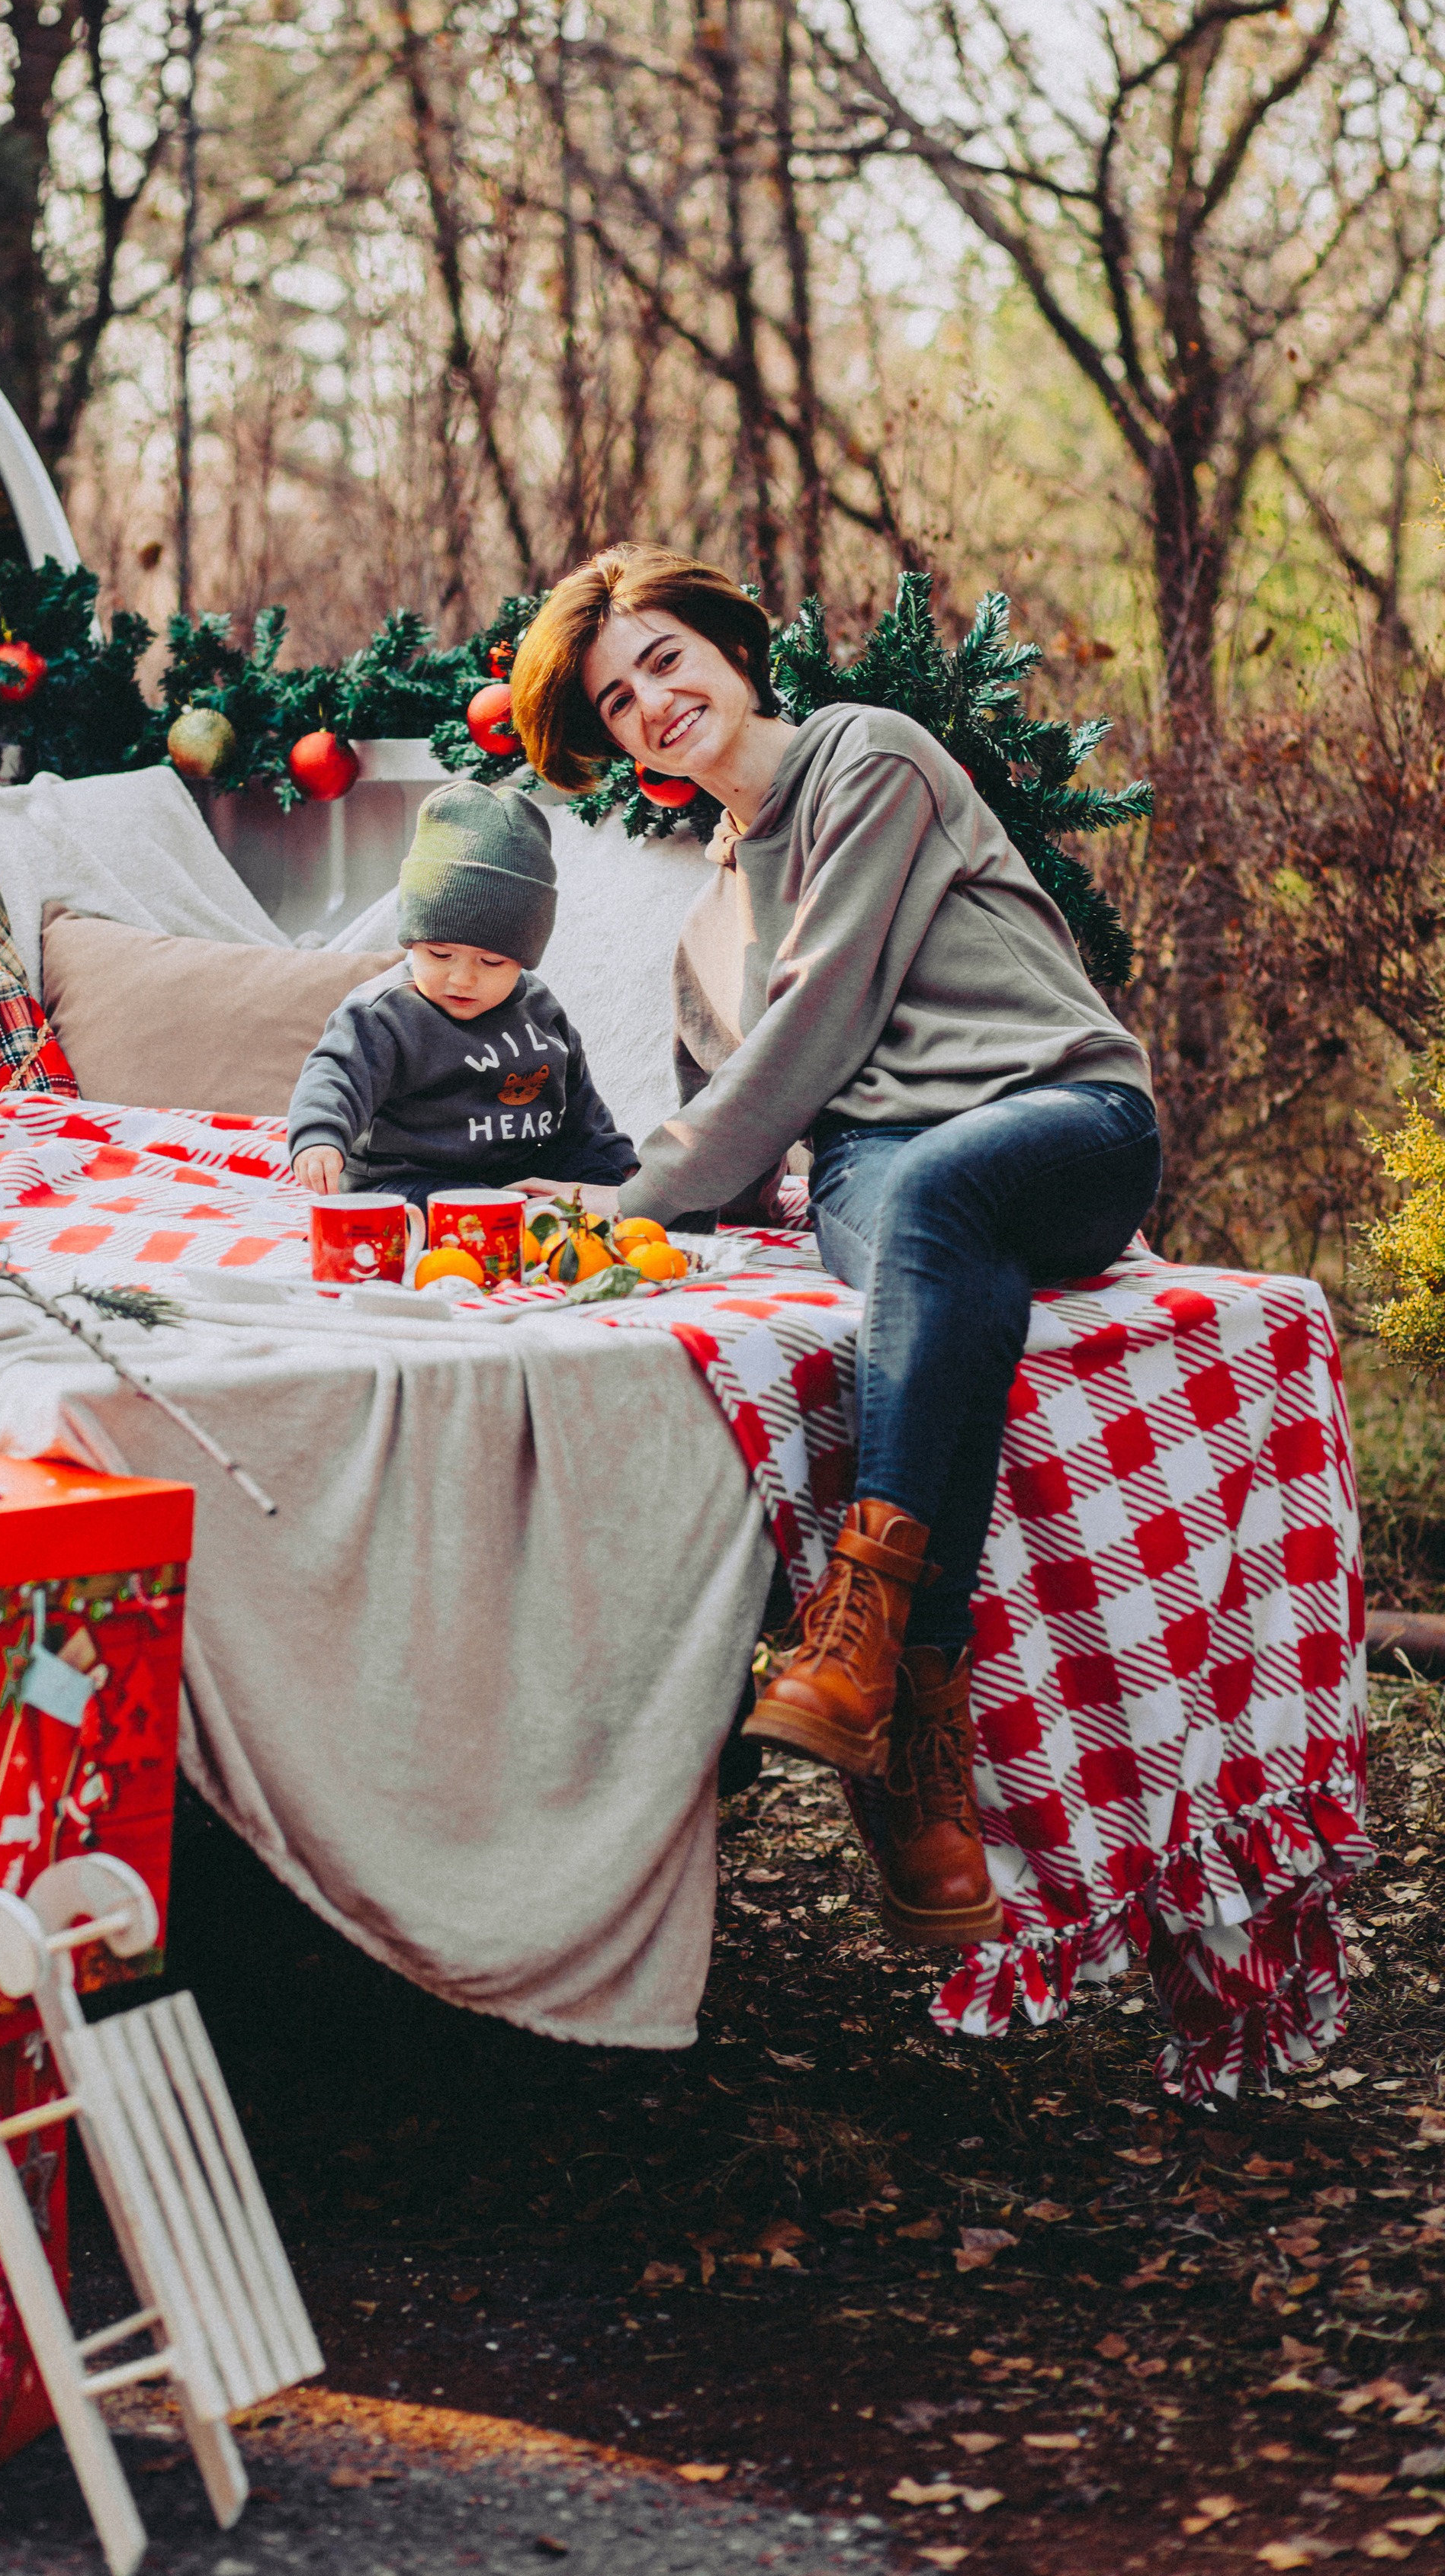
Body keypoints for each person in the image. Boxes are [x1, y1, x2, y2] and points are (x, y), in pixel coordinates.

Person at [509, 546, 1161, 1951]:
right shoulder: (700, 930)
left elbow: (815, 1026)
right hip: (882, 1172)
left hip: (1059, 1113)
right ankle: (913, 1729)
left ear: (735, 651)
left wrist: (639, 1197)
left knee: (935, 1198)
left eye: (668, 661)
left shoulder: (873, 758)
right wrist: (615, 1240)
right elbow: (730, 1145)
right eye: (620, 704)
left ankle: (863, 1642)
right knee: (909, 1212)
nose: (654, 705)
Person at [289, 778, 635, 1211]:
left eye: (491, 963)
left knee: (602, 1180)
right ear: (412, 941)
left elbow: (582, 1104)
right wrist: (319, 1137)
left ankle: (543, 1214)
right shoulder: (384, 1014)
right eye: (439, 953)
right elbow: (335, 1077)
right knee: (428, 1208)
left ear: (524, 959)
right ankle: (517, 1218)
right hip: (408, 1178)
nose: (462, 979)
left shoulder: (541, 1011)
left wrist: (619, 1166)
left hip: (521, 1170)